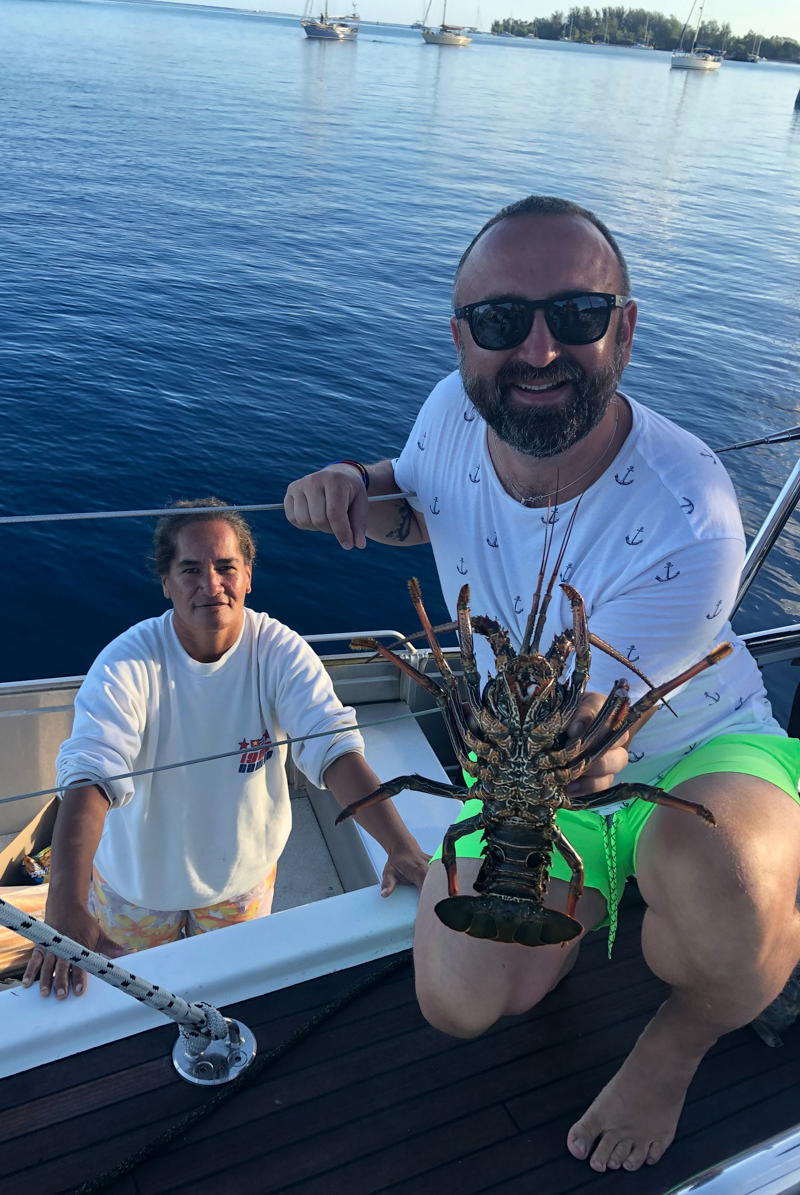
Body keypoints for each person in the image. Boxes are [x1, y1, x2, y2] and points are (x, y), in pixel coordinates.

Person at [284, 195, 800, 1174]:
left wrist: (491, 706)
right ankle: (594, 909)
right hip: (539, 775)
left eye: (575, 314)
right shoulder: (450, 409)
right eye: (498, 320)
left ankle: (679, 1040)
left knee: (721, 880)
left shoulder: (690, 511)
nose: (536, 349)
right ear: (461, 339)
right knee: (459, 1003)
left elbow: (597, 729)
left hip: (689, 747)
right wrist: (356, 484)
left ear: (624, 329)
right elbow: (416, 504)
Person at [23, 498, 428, 1000]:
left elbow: (334, 747)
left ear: (249, 575)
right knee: (135, 1004)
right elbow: (90, 774)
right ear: (165, 582)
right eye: (190, 569)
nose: (211, 584)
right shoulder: (127, 662)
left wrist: (400, 846)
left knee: (233, 997)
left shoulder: (279, 651)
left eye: (226, 567)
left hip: (242, 885)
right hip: (136, 888)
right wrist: (65, 907)